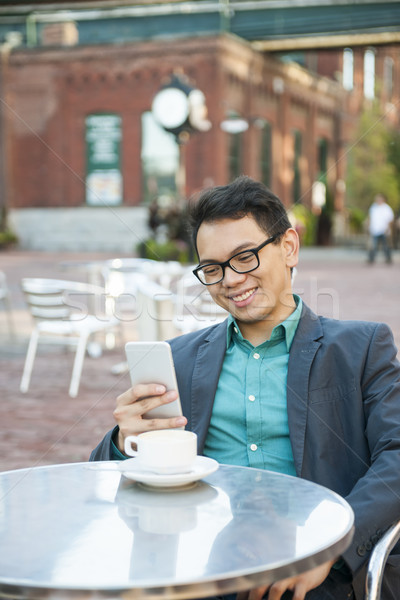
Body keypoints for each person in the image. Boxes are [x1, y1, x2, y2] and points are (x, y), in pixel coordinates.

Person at [91, 176, 400, 600]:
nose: (230, 279)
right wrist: (125, 441)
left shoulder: (362, 348)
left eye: (245, 257)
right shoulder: (178, 359)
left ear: (289, 247)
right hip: (204, 571)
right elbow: (105, 477)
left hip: (325, 573)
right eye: (213, 268)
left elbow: (397, 455)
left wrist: (332, 550)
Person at [367, 193, 394, 264]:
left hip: (383, 230)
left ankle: (388, 258)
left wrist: (388, 228)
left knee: (386, 246)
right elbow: (370, 218)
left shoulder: (387, 208)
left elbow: (390, 219)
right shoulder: (373, 207)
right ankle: (371, 259)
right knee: (373, 246)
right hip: (375, 229)